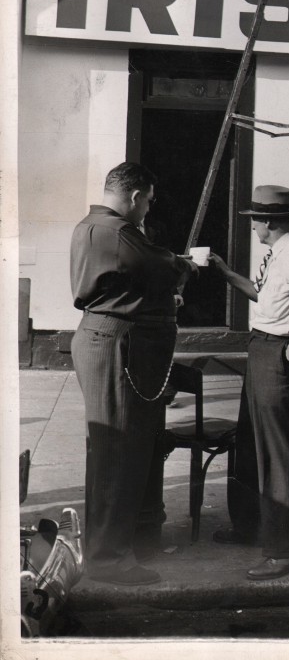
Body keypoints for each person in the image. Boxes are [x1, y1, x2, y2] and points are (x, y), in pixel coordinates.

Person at [69, 162, 198, 585]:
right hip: (116, 344)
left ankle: (119, 542)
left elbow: (125, 283)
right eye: (149, 201)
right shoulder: (120, 233)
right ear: (137, 197)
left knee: (112, 447)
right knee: (117, 452)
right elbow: (164, 266)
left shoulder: (88, 225)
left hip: (102, 336)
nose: (148, 209)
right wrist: (186, 266)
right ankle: (108, 559)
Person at [208, 184, 289, 580]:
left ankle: (283, 552)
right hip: (260, 348)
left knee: (278, 456)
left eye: (254, 222)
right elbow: (263, 296)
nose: (253, 229)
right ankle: (250, 527)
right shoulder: (278, 253)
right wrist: (226, 273)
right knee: (249, 444)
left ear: (267, 221)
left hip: (277, 354)